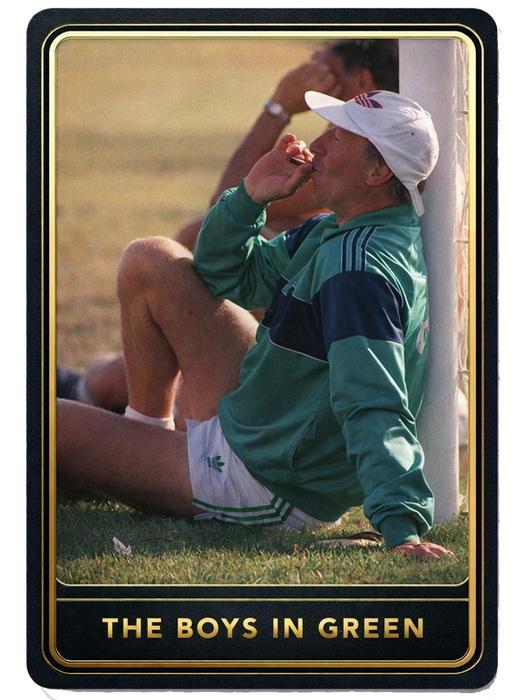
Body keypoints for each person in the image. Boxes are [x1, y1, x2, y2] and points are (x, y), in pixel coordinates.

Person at [57, 88, 454, 561]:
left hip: (268, 482)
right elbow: (226, 274)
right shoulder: (342, 229)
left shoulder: (358, 271)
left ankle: (143, 465)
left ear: (377, 172)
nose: (317, 145)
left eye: (337, 138)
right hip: (262, 426)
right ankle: (146, 448)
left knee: (46, 422)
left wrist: (401, 527)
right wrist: (250, 197)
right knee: (151, 259)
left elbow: (372, 403)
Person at [57, 39, 400, 413]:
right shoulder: (383, 158)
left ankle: (96, 392)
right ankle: (97, 391)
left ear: (362, 81)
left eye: (322, 68)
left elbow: (225, 200)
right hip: (293, 375)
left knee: (103, 391)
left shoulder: (362, 164)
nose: (307, 72)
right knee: (186, 251)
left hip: (286, 397)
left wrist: (279, 107)